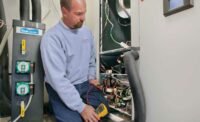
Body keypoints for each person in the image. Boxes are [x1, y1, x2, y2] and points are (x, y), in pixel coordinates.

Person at [40, 0, 108, 122]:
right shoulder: (52, 39)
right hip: (61, 88)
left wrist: (91, 77)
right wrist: (81, 108)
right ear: (64, 11)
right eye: (78, 14)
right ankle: (56, 106)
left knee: (103, 109)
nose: (83, 18)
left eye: (84, 13)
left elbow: (91, 59)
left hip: (85, 84)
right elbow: (58, 80)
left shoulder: (86, 32)